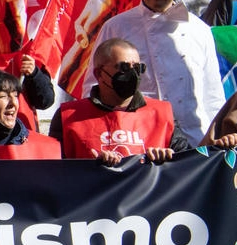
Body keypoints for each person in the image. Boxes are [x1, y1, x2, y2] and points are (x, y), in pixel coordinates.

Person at [95, 0, 225, 144]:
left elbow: (212, 95)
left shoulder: (199, 29)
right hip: (138, 139)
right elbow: (95, 86)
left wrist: (215, 140)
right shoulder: (117, 27)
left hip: (195, 140)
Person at [50, 38, 192, 163]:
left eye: (137, 68)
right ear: (99, 73)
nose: (133, 74)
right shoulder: (68, 116)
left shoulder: (161, 114)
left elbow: (188, 163)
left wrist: (167, 159)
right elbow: (56, 170)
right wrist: (91, 166)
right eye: (124, 67)